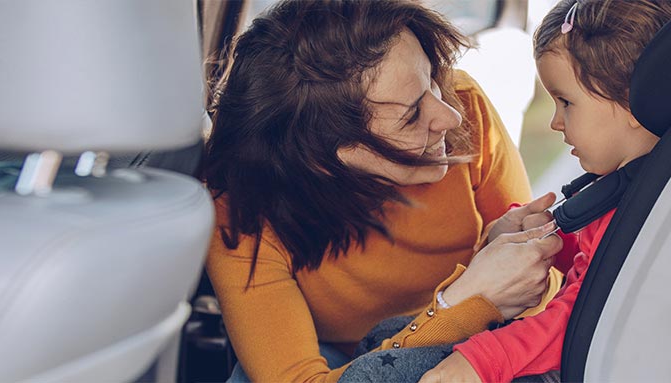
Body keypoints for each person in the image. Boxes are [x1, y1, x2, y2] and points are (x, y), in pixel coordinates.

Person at [199, 1, 567, 382]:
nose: (449, 117)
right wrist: (463, 301)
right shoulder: (239, 212)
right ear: (323, 159)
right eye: (411, 116)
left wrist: (496, 256)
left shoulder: (464, 104)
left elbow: (539, 301)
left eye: (432, 81)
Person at [329, 1, 671, 382]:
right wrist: (534, 237)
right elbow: (587, 259)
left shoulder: (645, 214)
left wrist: (479, 361)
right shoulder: (631, 186)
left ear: (635, 101)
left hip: (593, 362)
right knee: (383, 337)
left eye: (566, 103)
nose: (554, 122)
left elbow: (583, 314)